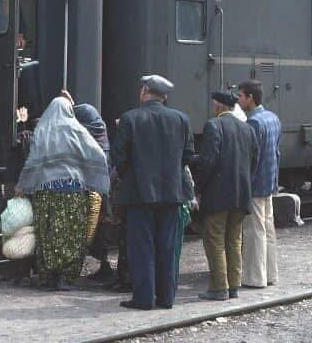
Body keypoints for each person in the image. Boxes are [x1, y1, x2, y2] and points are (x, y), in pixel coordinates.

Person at [113, 75, 195, 310]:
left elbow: (119, 157)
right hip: (172, 193)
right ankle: (167, 297)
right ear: (164, 96)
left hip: (139, 194)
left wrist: (130, 176)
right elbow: (188, 155)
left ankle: (144, 298)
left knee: (142, 247)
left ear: (144, 91)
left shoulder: (130, 118)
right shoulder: (181, 119)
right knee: (168, 248)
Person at [15, 92, 110, 291]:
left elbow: (31, 162)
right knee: (72, 235)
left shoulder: (42, 132)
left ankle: (48, 278)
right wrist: (92, 177)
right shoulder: (77, 130)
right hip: (73, 193)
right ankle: (66, 278)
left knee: (47, 234)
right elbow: (99, 155)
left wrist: (22, 185)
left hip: (45, 194)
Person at [196, 90, 259, 301]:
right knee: (234, 240)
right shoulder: (247, 128)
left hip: (218, 195)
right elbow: (254, 161)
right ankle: (234, 286)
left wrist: (198, 187)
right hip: (241, 195)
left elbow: (208, 161)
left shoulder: (213, 126)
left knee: (215, 240)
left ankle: (218, 288)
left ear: (218, 105)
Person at [238, 80, 281, 288]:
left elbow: (250, 158)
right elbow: (276, 152)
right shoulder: (273, 118)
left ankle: (255, 278)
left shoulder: (253, 123)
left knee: (254, 232)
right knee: (268, 229)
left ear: (250, 98)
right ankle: (271, 274)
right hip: (269, 182)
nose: (239, 100)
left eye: (241, 96)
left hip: (255, 185)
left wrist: (245, 184)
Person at [73, 103, 113, 280]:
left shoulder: (89, 139)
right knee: (101, 229)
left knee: (88, 230)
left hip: (93, 192)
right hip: (104, 191)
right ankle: (104, 265)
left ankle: (77, 268)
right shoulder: (101, 134)